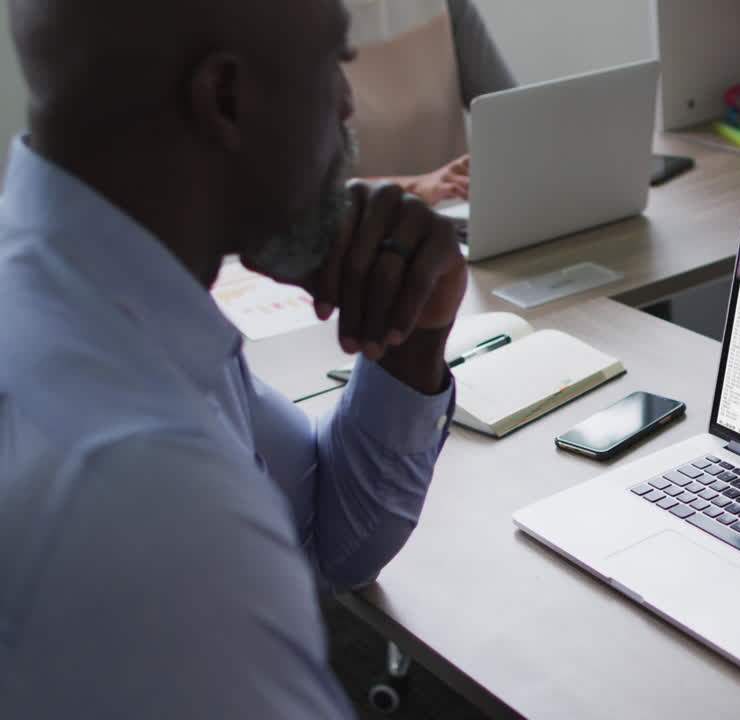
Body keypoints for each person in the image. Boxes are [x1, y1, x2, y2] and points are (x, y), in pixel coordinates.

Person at [0, 0, 466, 716]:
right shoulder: (151, 503)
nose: (348, 107)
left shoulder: (93, 291)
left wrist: (414, 330)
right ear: (225, 99)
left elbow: (324, 542)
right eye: (336, 64)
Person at [344, 0, 515, 205]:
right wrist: (416, 186)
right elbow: (304, 198)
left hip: (456, 218)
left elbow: (513, 122)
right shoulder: (302, 22)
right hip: (356, 232)